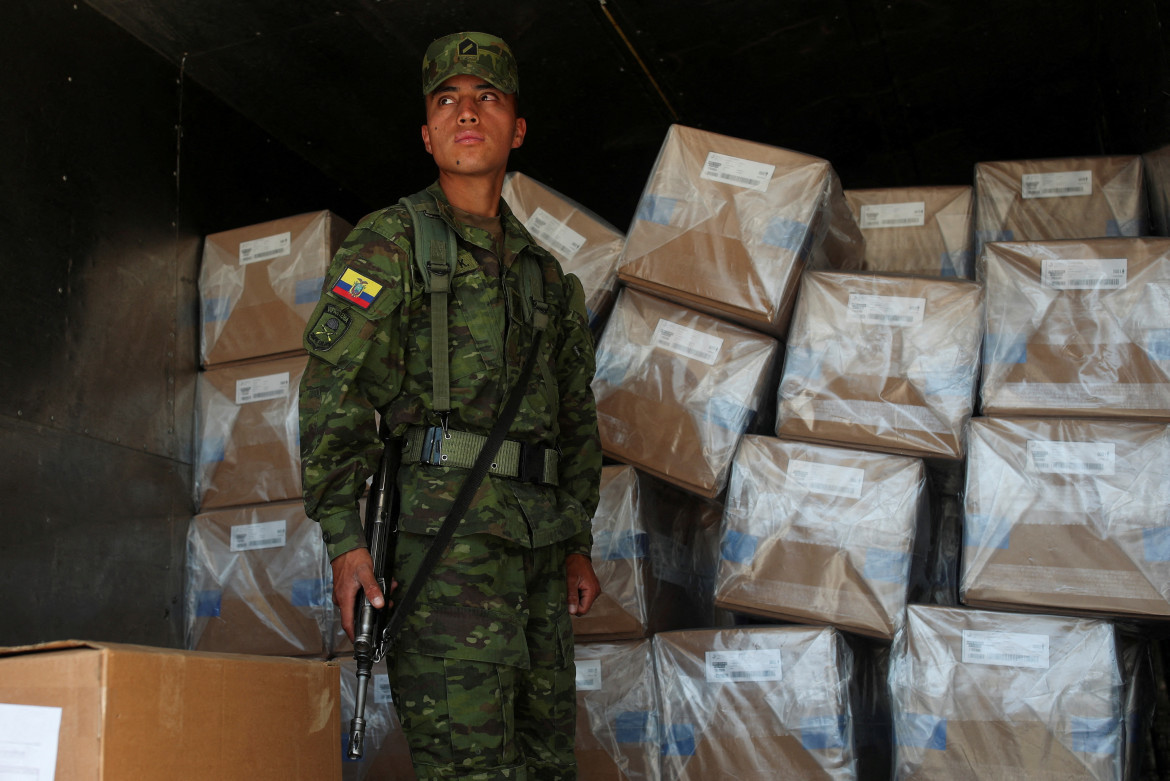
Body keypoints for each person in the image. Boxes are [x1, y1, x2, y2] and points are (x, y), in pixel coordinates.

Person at [298, 30, 603, 780]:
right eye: (448, 101)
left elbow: (575, 418)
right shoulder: (389, 244)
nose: (469, 113)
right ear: (428, 132)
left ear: (516, 128)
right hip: (444, 553)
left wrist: (575, 538)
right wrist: (345, 539)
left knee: (547, 765)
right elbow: (334, 391)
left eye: (487, 98)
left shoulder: (546, 278)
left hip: (537, 555)